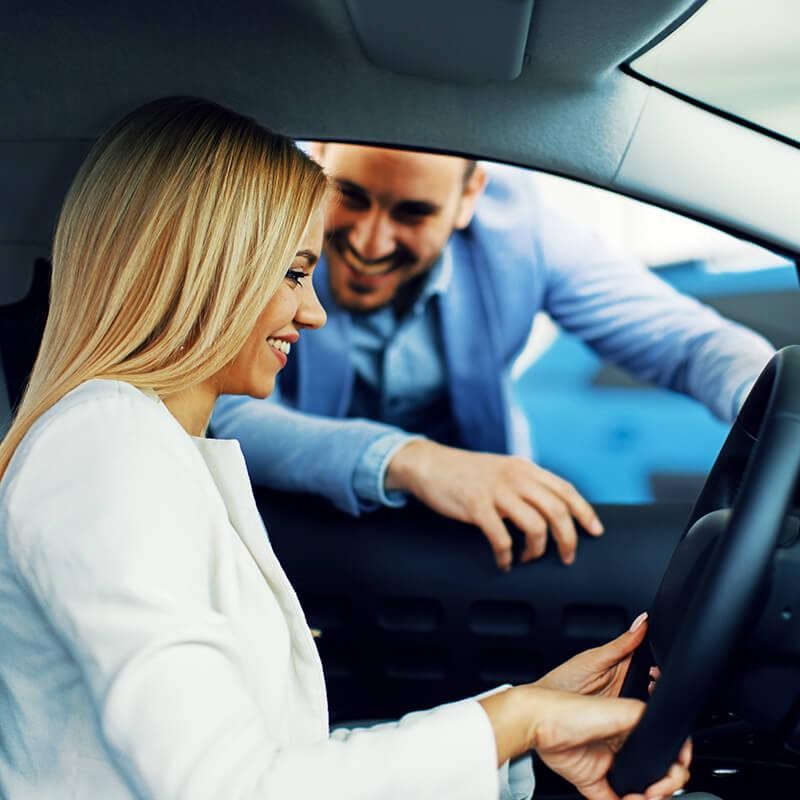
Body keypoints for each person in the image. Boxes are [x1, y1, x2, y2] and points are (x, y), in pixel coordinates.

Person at [0, 97, 693, 800]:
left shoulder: (150, 446)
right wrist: (516, 718)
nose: (315, 311)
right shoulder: (107, 451)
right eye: (295, 274)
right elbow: (230, 787)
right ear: (201, 268)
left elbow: (274, 759)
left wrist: (526, 738)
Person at [211, 144, 775, 569]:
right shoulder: (262, 234)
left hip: (470, 543)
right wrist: (413, 460)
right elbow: (225, 415)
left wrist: (779, 409)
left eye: (412, 214)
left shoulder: (525, 240)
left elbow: (688, 342)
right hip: (292, 534)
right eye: (349, 196)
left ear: (470, 197)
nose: (369, 242)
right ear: (321, 158)